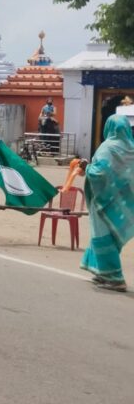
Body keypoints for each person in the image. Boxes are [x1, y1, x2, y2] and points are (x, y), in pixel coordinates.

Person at [78, 113, 134, 292]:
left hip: (104, 201)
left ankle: (115, 278)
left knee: (103, 236)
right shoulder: (131, 149)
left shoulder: (108, 147)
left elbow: (99, 173)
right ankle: (101, 271)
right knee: (113, 235)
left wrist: (86, 167)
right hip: (122, 203)